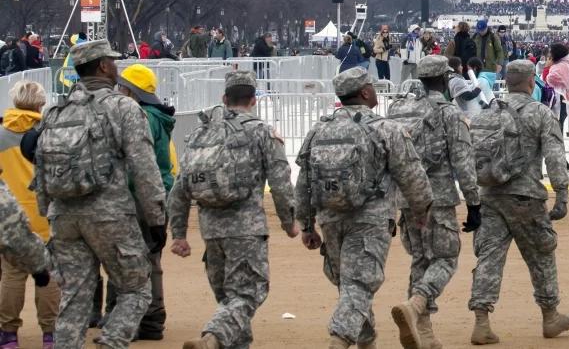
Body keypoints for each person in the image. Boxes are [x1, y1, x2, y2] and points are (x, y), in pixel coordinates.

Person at [35, 40, 166, 348]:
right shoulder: (122, 107)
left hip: (64, 216)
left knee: (75, 296)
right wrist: (156, 217)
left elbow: (40, 166)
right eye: (112, 61)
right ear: (104, 66)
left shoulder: (55, 111)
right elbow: (144, 167)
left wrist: (47, 209)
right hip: (109, 215)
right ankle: (112, 342)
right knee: (136, 289)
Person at [295, 68, 433, 349]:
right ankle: (339, 341)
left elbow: (304, 183)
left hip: (330, 218)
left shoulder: (318, 130)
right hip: (371, 221)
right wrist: (421, 211)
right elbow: (412, 175)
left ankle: (367, 342)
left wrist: (307, 225)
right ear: (365, 93)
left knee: (351, 285)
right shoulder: (385, 129)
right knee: (358, 286)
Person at [168, 71, 298, 349]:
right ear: (253, 100)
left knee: (229, 301)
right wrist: (290, 222)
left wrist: (179, 233)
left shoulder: (200, 134)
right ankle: (212, 337)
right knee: (247, 295)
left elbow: (180, 187)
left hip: (210, 231)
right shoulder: (261, 131)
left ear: (224, 99)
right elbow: (280, 181)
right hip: (246, 230)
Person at [467, 59, 569, 344]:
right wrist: (562, 194)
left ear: (507, 82)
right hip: (525, 197)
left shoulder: (487, 113)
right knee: (541, 257)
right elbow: (555, 157)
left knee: (489, 259)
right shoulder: (540, 113)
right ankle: (550, 316)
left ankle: (481, 321)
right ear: (532, 82)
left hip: (490, 196)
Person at [387, 56, 480, 349]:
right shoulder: (448, 113)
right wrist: (474, 203)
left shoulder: (397, 110)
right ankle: (417, 305)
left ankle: (423, 330)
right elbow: (463, 162)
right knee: (446, 259)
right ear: (443, 79)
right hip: (437, 197)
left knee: (420, 259)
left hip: (405, 199)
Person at [112, 64, 178, 341]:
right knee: (151, 257)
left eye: (122, 87)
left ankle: (144, 318)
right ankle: (151, 317)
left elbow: (135, 163)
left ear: (131, 91)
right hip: (155, 192)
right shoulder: (155, 116)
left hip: (137, 195)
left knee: (136, 259)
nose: (117, 90)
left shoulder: (140, 117)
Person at [0, 81, 59, 348]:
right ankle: (50, 333)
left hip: (9, 218)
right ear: (39, 104)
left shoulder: (1, 134)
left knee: (12, 276)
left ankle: (9, 334)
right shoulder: (48, 133)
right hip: (44, 214)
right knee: (48, 274)